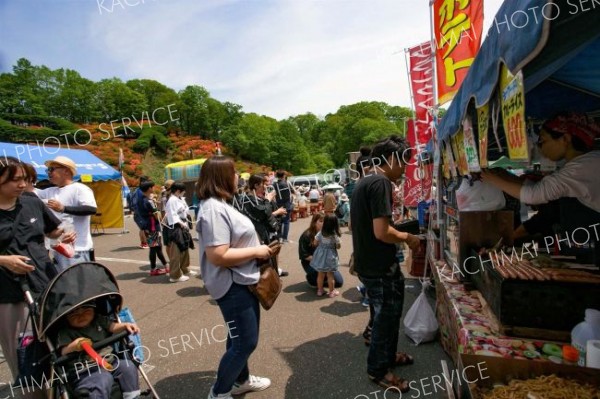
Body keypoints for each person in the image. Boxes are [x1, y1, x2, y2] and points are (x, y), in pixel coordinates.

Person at [196, 156, 274, 399]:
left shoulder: (219, 204)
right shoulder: (213, 209)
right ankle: (219, 393)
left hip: (240, 280)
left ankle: (241, 380)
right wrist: (257, 251)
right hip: (233, 285)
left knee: (237, 336)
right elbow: (218, 255)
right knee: (245, 342)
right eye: (234, 172)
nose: (237, 176)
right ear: (222, 176)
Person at [350, 136, 421, 393]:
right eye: (403, 162)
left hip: (370, 264)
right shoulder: (381, 182)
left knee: (388, 318)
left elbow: (358, 227)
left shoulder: (364, 181)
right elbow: (381, 232)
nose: (404, 169)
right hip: (380, 266)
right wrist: (408, 237)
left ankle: (387, 357)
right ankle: (378, 370)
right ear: (391, 159)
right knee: (384, 319)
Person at [0, 156, 75, 399]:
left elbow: (52, 230)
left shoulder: (31, 202)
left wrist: (63, 236)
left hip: (46, 285)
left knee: (61, 347)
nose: (22, 185)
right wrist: (3, 260)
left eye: (24, 179)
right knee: (26, 359)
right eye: (14, 180)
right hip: (9, 296)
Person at [481, 112, 600, 253]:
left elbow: (534, 194)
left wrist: (490, 178)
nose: (540, 148)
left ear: (565, 138)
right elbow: (538, 189)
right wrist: (503, 175)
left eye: (542, 141)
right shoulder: (582, 164)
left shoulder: (583, 167)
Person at [56, 301, 140, 399]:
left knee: (128, 367)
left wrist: (125, 325)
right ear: (66, 317)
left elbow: (113, 327)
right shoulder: (65, 332)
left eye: (86, 310)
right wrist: (73, 346)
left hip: (110, 362)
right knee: (104, 378)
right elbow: (63, 351)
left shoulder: (99, 320)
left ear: (93, 310)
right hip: (85, 371)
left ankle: (132, 396)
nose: (81, 315)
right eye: (73, 314)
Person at [36, 156, 97, 271]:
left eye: (52, 169)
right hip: (58, 248)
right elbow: (30, 193)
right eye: (48, 170)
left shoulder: (80, 188)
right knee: (64, 285)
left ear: (66, 171)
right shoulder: (49, 191)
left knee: (77, 285)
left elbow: (91, 209)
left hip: (77, 249)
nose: (49, 173)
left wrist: (63, 208)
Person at [237, 175, 289, 277]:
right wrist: (268, 201)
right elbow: (264, 213)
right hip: (259, 233)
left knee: (272, 252)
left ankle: (273, 273)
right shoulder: (249, 198)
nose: (266, 186)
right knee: (263, 258)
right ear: (256, 185)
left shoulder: (255, 198)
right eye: (264, 184)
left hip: (266, 230)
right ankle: (266, 280)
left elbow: (267, 212)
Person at [298, 213, 344, 288]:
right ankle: (312, 279)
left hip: (327, 261)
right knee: (321, 273)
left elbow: (335, 248)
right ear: (314, 222)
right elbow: (304, 255)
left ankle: (321, 282)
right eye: (321, 221)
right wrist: (321, 260)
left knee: (339, 282)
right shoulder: (306, 235)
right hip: (311, 262)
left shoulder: (329, 233)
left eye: (325, 221)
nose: (323, 223)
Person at [165, 182, 196, 283]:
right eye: (183, 191)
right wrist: (180, 223)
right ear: (178, 191)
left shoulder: (179, 199)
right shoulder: (172, 200)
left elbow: (184, 211)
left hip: (183, 225)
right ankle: (175, 275)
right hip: (176, 227)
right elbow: (171, 214)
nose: (184, 193)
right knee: (176, 251)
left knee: (184, 249)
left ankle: (184, 269)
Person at [139, 181, 169, 276]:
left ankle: (163, 266)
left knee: (155, 247)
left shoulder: (141, 200)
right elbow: (157, 215)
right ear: (149, 189)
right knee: (155, 248)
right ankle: (155, 268)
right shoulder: (148, 201)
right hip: (153, 227)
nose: (153, 188)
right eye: (152, 187)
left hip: (147, 226)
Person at [310, 214, 342, 298]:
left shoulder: (320, 233)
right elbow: (338, 246)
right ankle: (332, 292)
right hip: (330, 256)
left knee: (320, 274)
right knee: (330, 275)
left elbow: (315, 243)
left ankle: (320, 290)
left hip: (321, 255)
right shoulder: (334, 235)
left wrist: (321, 246)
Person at [273, 170, 295, 243]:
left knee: (279, 221)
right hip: (286, 204)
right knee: (286, 222)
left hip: (278, 205)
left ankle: (279, 238)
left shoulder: (274, 184)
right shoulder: (286, 184)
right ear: (284, 175)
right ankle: (285, 238)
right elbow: (290, 193)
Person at [131, 176, 151, 249]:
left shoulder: (136, 190)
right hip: (140, 212)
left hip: (137, 212)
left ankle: (143, 243)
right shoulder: (140, 191)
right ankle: (145, 243)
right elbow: (142, 202)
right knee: (144, 228)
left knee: (142, 228)